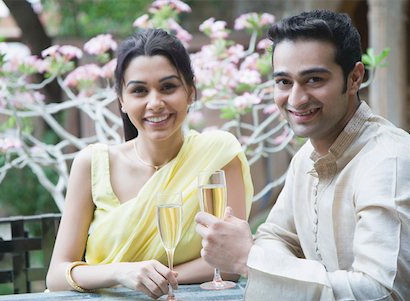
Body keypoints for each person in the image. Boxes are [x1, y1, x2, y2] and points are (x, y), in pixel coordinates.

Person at [195, 9, 410, 301]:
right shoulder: (306, 155)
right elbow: (276, 236)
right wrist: (269, 262)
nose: (295, 99)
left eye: (314, 80)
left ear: (354, 78)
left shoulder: (389, 161)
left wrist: (249, 260)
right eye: (284, 82)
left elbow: (383, 292)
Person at [46, 28, 253, 299]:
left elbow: (228, 264)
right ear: (122, 99)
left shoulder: (218, 155)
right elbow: (57, 274)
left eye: (168, 87)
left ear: (191, 92)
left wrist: (158, 279)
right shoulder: (93, 164)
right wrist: (123, 273)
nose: (155, 103)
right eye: (139, 91)